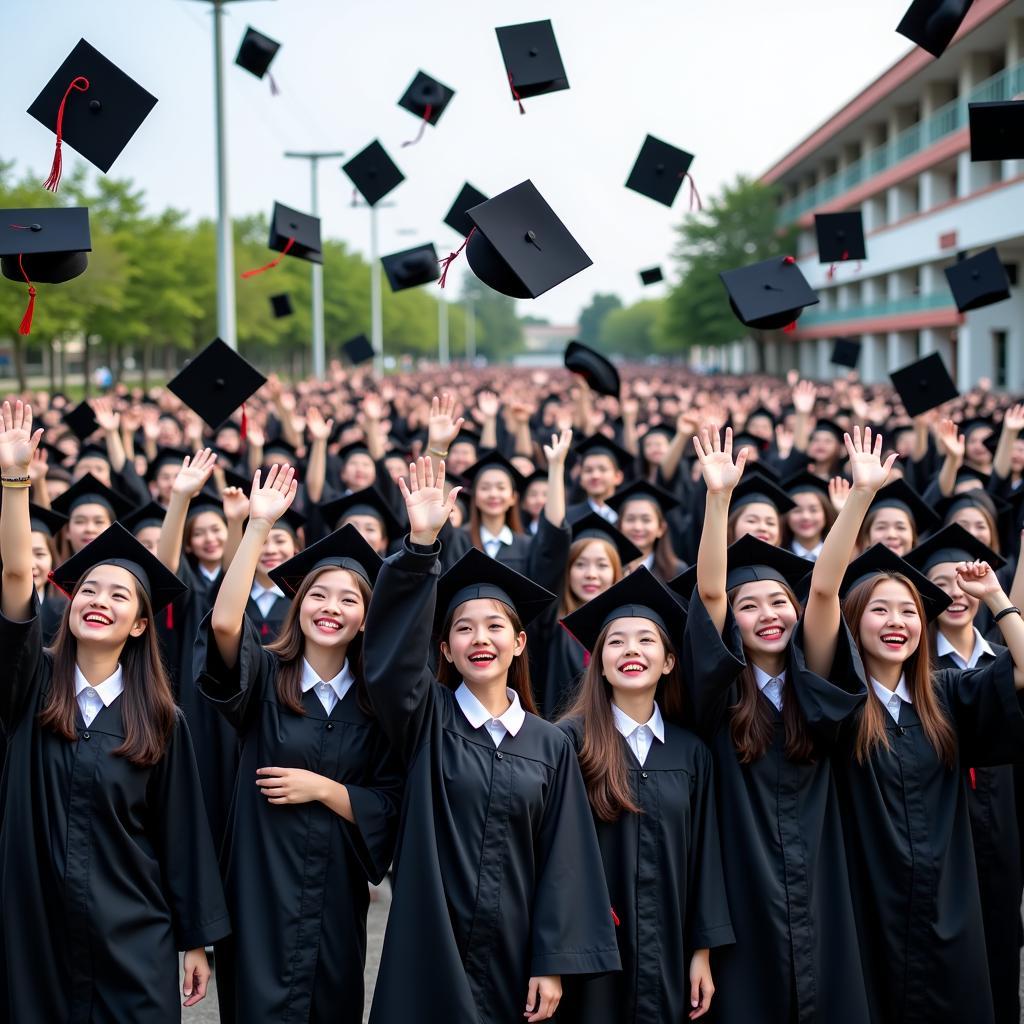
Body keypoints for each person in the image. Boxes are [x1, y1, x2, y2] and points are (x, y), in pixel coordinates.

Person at [363, 456, 620, 1024]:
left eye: (495, 626)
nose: (480, 638)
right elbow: (390, 666)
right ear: (446, 650)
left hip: (517, 952)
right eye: (463, 627)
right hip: (433, 947)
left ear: (521, 642)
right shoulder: (427, 719)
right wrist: (421, 547)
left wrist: (552, 962)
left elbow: (566, 859)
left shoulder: (550, 745)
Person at [0, 400, 229, 1021]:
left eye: (119, 594)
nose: (99, 600)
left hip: (133, 934)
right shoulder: (30, 688)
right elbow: (18, 573)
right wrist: (15, 481)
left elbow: (180, 834)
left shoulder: (158, 717)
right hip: (38, 934)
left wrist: (194, 939)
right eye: (89, 589)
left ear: (138, 625)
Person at [804, 428, 1024, 1023]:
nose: (897, 621)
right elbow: (823, 590)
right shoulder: (841, 700)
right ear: (855, 622)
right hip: (865, 913)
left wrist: (999, 600)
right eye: (879, 609)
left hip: (950, 914)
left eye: (908, 611)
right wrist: (861, 497)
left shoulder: (947, 695)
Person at [676, 426, 871, 1024]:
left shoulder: (813, 685)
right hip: (740, 889)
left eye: (778, 601)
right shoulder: (717, 692)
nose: (768, 615)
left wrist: (859, 497)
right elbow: (711, 587)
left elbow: (827, 589)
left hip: (821, 883)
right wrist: (718, 499)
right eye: (749, 605)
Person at [197, 462, 402, 1024]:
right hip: (259, 890)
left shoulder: (374, 706)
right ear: (298, 604)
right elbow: (222, 626)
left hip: (336, 896)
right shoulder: (264, 678)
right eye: (318, 595)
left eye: (348, 600)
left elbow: (389, 803)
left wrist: (324, 789)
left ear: (366, 619)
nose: (331, 608)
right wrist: (256, 527)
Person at [558, 568, 733, 1022]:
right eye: (615, 641)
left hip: (671, 949)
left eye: (646, 640)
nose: (631, 650)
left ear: (670, 661)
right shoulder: (567, 744)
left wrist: (702, 951)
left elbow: (705, 857)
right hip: (588, 956)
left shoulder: (691, 751)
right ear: (597, 660)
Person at [905, 524, 1023, 1024]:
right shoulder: (917, 675)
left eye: (962, 581)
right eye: (940, 583)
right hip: (940, 837)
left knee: (999, 942)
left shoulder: (1001, 659)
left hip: (1000, 829)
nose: (955, 593)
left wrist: (998, 596)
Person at [606, 478, 686, 581]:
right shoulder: (608, 569)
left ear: (661, 528)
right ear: (619, 526)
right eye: (630, 519)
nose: (637, 527)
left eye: (646, 520)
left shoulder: (676, 571)